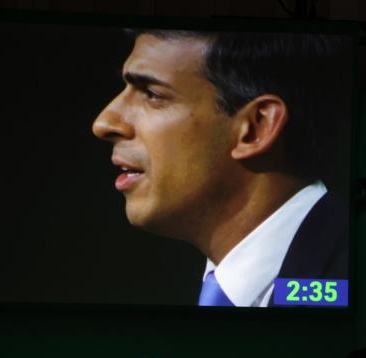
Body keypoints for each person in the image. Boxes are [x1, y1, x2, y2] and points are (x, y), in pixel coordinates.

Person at [91, 30, 349, 307]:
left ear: (255, 127)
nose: (103, 123)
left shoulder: (349, 274)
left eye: (151, 94)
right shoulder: (183, 280)